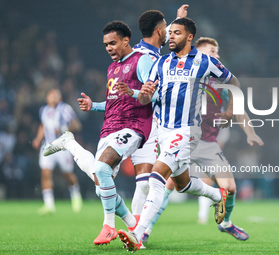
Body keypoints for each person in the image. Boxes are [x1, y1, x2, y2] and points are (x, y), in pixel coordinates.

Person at [118, 17, 240, 252]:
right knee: (182, 184)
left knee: (157, 176)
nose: (170, 36)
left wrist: (231, 110)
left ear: (189, 36)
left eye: (176, 33)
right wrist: (143, 94)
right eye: (170, 32)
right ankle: (216, 195)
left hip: (187, 131)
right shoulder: (161, 63)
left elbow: (233, 81)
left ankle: (138, 234)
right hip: (163, 131)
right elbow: (146, 97)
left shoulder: (205, 62)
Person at [140, 37, 264, 244]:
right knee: (168, 183)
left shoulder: (219, 84)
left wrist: (249, 131)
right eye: (212, 52)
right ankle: (145, 230)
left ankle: (226, 223)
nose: (217, 55)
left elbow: (238, 107)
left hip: (207, 143)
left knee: (230, 188)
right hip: (181, 138)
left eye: (217, 51)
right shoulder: (180, 79)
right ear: (198, 57)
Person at [43, 20, 154, 245]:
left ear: (125, 40)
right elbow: (114, 101)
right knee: (101, 187)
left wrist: (132, 92)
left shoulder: (141, 61)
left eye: (113, 43)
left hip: (132, 126)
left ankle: (109, 226)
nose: (109, 48)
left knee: (102, 168)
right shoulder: (112, 68)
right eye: (105, 45)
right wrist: (93, 105)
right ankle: (134, 226)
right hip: (109, 128)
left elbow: (152, 95)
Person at [78, 5, 190, 218]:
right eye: (167, 28)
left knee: (140, 181)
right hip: (138, 122)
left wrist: (178, 20)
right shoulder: (142, 58)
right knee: (108, 182)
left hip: (145, 123)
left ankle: (135, 230)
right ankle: (133, 228)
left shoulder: (148, 53)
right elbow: (142, 93)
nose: (169, 33)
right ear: (159, 31)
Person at [32, 88, 83, 215]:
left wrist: (63, 128)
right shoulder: (43, 110)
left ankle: (76, 194)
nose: (54, 96)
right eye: (51, 94)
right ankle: (49, 204)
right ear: (47, 97)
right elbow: (42, 125)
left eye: (56, 94)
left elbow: (77, 125)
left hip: (63, 146)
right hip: (48, 146)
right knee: (45, 173)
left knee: (67, 174)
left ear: (60, 97)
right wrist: (38, 139)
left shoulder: (65, 108)